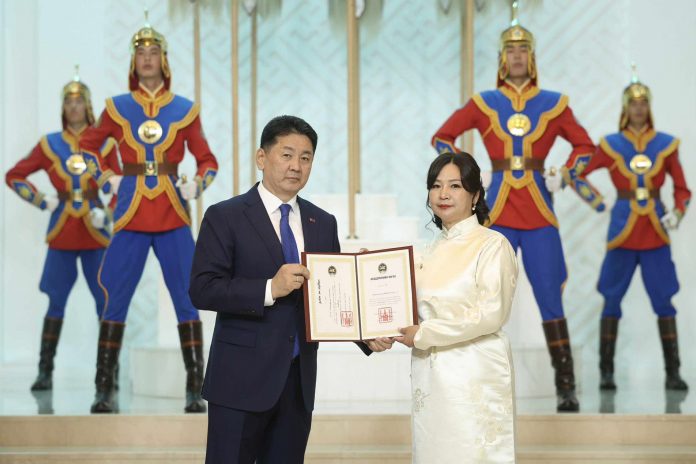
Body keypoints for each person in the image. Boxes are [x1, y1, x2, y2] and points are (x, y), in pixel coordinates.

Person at [189, 115, 393, 464]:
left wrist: (366, 332)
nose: (296, 166)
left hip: (297, 385)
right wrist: (270, 288)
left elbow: (333, 296)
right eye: (286, 155)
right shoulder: (225, 216)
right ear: (261, 157)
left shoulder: (322, 222)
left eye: (305, 157)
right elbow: (203, 289)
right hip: (238, 382)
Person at [430, 5, 601, 412]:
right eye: (511, 50)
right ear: (502, 58)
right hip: (498, 214)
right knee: (482, 296)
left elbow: (586, 147)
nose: (518, 56)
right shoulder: (485, 102)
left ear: (532, 56)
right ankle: (474, 381)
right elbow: (443, 137)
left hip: (540, 213)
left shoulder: (554, 103)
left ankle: (566, 386)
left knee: (550, 294)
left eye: (523, 49)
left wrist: (566, 172)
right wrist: (470, 174)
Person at [79, 17, 219, 413]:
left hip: (173, 212)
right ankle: (103, 388)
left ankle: (195, 388)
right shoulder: (116, 107)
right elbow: (87, 147)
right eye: (140, 53)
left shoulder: (185, 110)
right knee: (114, 297)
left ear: (164, 59)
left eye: (153, 52)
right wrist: (104, 178)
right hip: (130, 212)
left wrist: (198, 185)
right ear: (133, 61)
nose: (146, 58)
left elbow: (207, 160)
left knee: (187, 297)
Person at [396, 152, 518, 463]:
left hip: (474, 373)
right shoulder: (426, 251)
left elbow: (490, 314)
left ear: (475, 195)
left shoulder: (492, 244)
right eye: (436, 186)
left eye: (455, 186)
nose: (443, 194)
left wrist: (423, 334)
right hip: (430, 374)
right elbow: (402, 304)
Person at [572, 70, 691, 391]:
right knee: (611, 299)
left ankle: (673, 373)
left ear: (649, 106)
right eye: (633, 103)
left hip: (655, 232)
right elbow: (578, 173)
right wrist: (598, 202)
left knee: (664, 301)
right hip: (622, 231)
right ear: (625, 107)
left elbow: (682, 188)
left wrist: (677, 213)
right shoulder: (611, 145)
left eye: (643, 102)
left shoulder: (665, 145)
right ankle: (606, 373)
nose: (639, 108)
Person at [5, 70, 118, 392]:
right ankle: (45, 372)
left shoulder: (105, 142)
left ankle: (108, 373)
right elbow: (14, 176)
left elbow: (120, 184)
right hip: (63, 231)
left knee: (105, 302)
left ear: (88, 105)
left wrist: (108, 213)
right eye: (68, 102)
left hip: (95, 232)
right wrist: (42, 200)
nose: (74, 107)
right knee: (56, 302)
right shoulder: (50, 144)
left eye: (79, 101)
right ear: (63, 107)